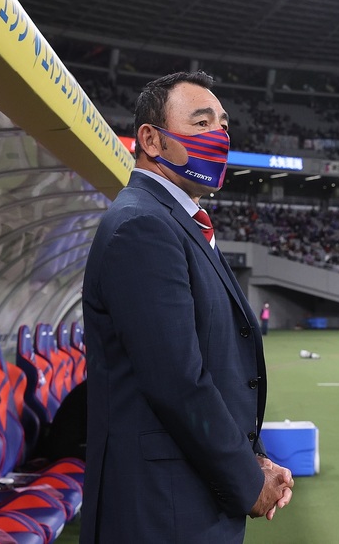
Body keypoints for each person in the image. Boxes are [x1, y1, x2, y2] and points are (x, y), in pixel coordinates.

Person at [80, 71, 293, 543]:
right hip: (162, 511)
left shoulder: (178, 221)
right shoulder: (142, 226)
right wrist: (248, 481)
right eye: (201, 123)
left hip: (186, 500)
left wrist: (254, 457)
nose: (220, 136)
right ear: (150, 139)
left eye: (223, 124)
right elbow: (178, 382)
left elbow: (217, 366)